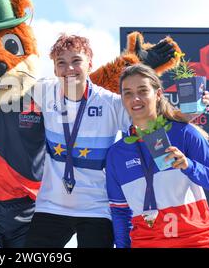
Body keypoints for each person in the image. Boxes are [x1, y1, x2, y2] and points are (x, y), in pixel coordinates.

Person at [105, 64, 209, 248]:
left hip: (194, 242)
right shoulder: (117, 153)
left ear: (157, 94)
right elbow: (120, 212)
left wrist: (189, 166)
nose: (136, 98)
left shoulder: (184, 133)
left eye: (143, 90)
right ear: (122, 99)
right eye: (128, 93)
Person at [24, 34, 130, 248]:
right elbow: (3, 89)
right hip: (50, 206)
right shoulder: (43, 91)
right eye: (61, 63)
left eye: (76, 61)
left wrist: (188, 112)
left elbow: (149, 118)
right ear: (54, 69)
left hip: (96, 207)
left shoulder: (110, 103)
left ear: (90, 63)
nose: (69, 69)